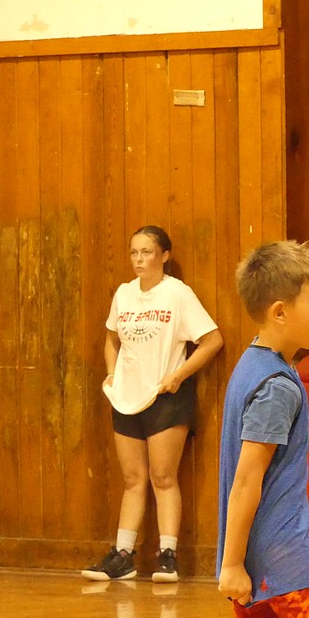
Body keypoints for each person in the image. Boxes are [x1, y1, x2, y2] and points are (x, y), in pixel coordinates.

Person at [216, 240, 309, 618]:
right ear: (279, 312)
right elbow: (247, 478)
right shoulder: (276, 387)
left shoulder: (255, 364)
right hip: (280, 547)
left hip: (256, 550)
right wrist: (230, 563)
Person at [82, 225, 223, 583]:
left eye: (146, 252)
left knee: (163, 476)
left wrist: (179, 375)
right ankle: (123, 555)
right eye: (134, 252)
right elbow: (111, 338)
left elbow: (212, 340)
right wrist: (112, 374)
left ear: (164, 256)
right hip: (126, 396)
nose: (139, 259)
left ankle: (168, 555)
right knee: (133, 478)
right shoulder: (124, 295)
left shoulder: (178, 294)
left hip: (166, 397)